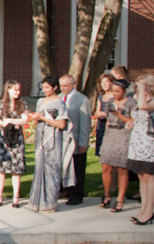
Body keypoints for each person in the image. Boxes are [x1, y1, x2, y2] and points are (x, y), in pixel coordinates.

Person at [126, 75, 154, 226]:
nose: (138, 89)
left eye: (142, 86)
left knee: (150, 176)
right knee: (142, 176)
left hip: (149, 143)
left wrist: (142, 89)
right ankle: (143, 208)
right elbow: (137, 115)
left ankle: (149, 211)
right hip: (137, 143)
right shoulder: (139, 100)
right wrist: (130, 124)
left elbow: (144, 107)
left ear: (151, 86)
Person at [28, 76, 71, 213]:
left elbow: (61, 123)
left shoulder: (59, 103)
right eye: (43, 88)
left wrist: (43, 118)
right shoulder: (41, 101)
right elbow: (38, 118)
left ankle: (50, 203)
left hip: (52, 138)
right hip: (40, 137)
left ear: (55, 88)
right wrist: (36, 118)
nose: (45, 90)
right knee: (40, 168)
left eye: (47, 87)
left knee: (51, 169)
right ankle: (37, 201)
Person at [98, 78, 136, 212]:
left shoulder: (131, 103)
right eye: (113, 91)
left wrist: (119, 115)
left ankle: (120, 198)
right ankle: (107, 195)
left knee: (121, 168)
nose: (114, 94)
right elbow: (107, 118)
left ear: (124, 91)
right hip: (110, 134)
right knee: (106, 165)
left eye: (117, 91)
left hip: (124, 133)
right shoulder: (110, 101)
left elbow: (133, 121)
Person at [0, 80, 29, 208]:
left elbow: (24, 119)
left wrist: (9, 120)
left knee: (16, 169)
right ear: (8, 90)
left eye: (19, 90)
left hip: (16, 139)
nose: (17, 92)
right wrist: (2, 122)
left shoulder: (22, 104)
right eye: (15, 90)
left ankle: (16, 197)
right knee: (1, 168)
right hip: (2, 138)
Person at [60, 74, 91, 205]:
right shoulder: (60, 98)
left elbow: (85, 122)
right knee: (64, 166)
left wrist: (83, 142)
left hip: (76, 139)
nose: (63, 88)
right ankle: (65, 189)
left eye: (66, 86)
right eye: (61, 86)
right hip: (62, 140)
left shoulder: (82, 99)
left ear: (73, 84)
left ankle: (77, 194)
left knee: (77, 168)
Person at [92, 73, 115, 157]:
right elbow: (96, 113)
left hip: (112, 124)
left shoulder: (115, 96)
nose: (104, 84)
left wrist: (106, 114)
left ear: (112, 83)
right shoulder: (101, 96)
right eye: (102, 82)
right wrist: (100, 114)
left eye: (106, 82)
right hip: (101, 124)